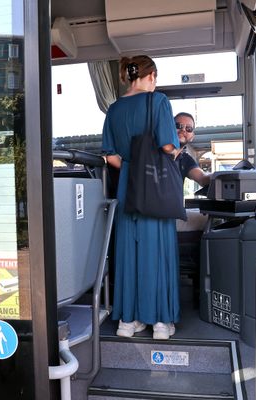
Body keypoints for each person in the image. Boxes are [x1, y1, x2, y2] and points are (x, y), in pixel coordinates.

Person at [102, 55, 180, 340]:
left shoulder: (113, 109)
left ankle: (128, 321)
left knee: (128, 252)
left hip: (127, 186)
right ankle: (160, 322)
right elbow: (168, 145)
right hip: (154, 189)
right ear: (150, 76)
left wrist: (132, 171)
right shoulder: (158, 101)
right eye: (155, 78)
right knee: (156, 251)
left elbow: (110, 155)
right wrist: (175, 154)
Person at [173, 112, 211, 187]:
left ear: (192, 137)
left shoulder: (186, 160)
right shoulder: (151, 152)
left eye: (189, 128)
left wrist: (222, 176)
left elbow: (202, 178)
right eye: (178, 126)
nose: (183, 130)